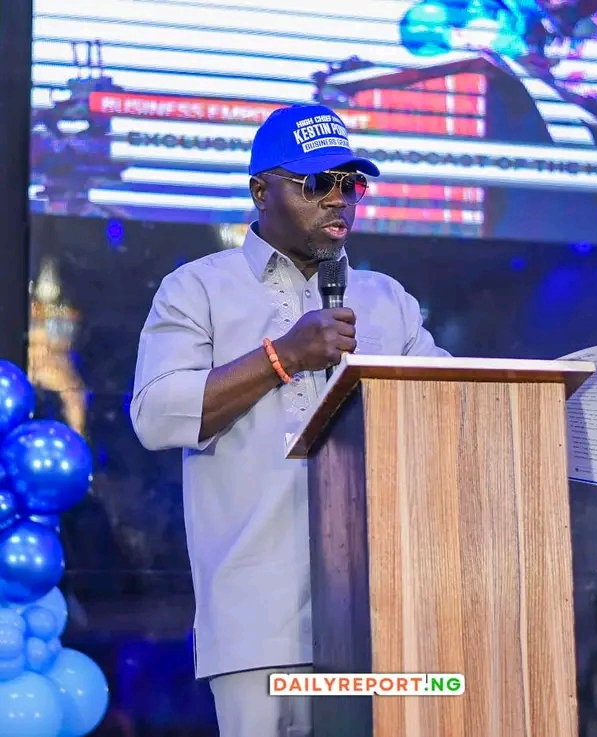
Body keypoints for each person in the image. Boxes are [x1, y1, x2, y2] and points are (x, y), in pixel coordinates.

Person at [130, 103, 450, 737]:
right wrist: (282, 356)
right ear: (260, 191)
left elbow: (448, 411)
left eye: (350, 184)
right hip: (257, 622)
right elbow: (155, 414)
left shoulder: (387, 299)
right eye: (317, 183)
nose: (338, 199)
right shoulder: (198, 288)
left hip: (379, 619)